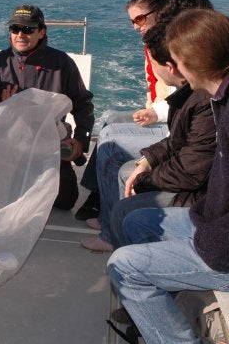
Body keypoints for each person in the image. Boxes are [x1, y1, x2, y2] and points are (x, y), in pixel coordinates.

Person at [107, 8, 229, 344]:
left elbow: (194, 168)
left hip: (220, 246)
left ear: (187, 63)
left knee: (123, 266)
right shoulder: (218, 99)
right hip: (208, 219)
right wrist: (148, 162)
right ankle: (151, 313)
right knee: (135, 222)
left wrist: (204, 243)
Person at [80, 17, 216, 252]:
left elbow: (191, 169)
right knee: (118, 142)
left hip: (208, 201)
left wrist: (145, 180)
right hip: (201, 184)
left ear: (170, 66)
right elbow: (178, 141)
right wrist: (149, 159)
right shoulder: (194, 95)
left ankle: (125, 248)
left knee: (126, 206)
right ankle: (114, 228)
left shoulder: (203, 100)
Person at [0, 4, 94, 210]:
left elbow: (83, 104)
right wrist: (2, 109)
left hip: (48, 144)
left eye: (28, 29)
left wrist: (81, 140)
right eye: (15, 29)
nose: (20, 34)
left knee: (65, 199)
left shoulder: (62, 63)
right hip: (7, 147)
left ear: (42, 32)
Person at [75, 0, 172, 221]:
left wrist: (154, 112)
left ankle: (103, 208)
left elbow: (182, 96)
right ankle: (97, 192)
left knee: (110, 137)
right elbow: (154, 84)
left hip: (165, 119)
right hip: (158, 110)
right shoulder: (151, 42)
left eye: (140, 19)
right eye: (132, 21)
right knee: (110, 117)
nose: (135, 26)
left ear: (158, 13)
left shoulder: (171, 44)